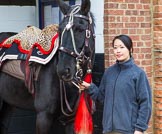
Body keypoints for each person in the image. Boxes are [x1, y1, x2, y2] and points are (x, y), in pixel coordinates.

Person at [79, 34, 152, 134]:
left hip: (129, 130)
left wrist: (139, 129)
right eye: (115, 48)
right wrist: (89, 87)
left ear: (130, 49)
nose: (118, 51)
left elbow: (145, 104)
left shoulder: (138, 74)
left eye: (122, 47)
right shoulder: (109, 72)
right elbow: (101, 97)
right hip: (108, 130)